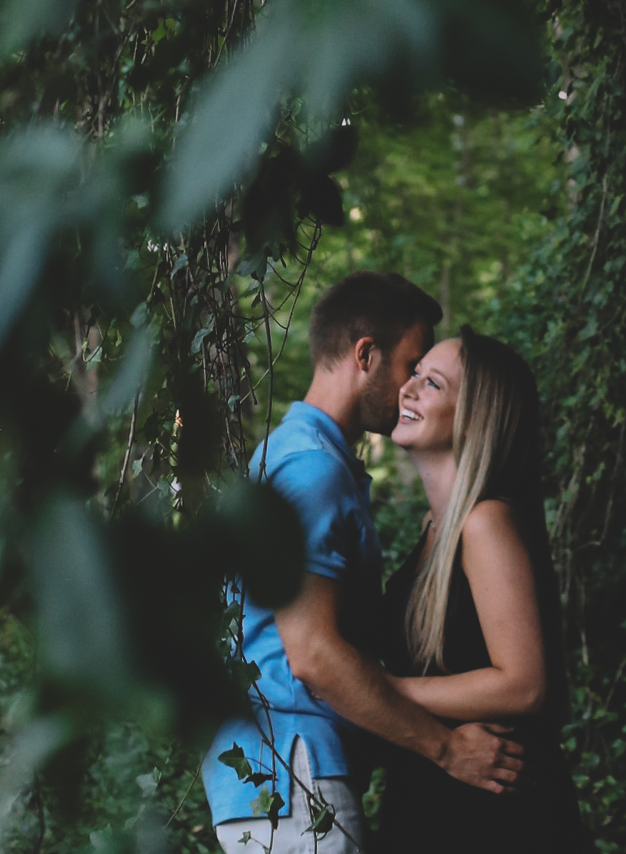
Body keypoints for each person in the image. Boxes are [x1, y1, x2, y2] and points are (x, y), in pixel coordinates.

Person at [201, 272, 526, 852]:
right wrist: (447, 749)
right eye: (412, 365)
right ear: (366, 356)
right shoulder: (313, 471)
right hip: (292, 775)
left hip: (283, 773)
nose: (409, 388)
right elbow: (314, 657)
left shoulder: (289, 455)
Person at [376, 326, 593, 853]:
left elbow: (523, 684)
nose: (407, 387)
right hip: (438, 805)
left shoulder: (485, 523)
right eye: (415, 373)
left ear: (474, 415)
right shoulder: (435, 528)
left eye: (432, 383)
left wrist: (384, 692)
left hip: (496, 816)